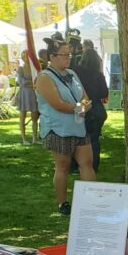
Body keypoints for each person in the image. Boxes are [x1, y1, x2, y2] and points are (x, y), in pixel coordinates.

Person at [35, 41, 95, 215]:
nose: (68, 58)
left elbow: (84, 95)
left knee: (87, 163)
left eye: (69, 55)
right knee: (63, 166)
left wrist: (83, 105)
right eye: (64, 55)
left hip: (78, 126)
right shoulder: (44, 77)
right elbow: (57, 104)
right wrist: (80, 108)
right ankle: (63, 203)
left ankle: (89, 201)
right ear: (52, 57)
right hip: (58, 128)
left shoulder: (72, 73)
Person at [71, 39, 108, 170]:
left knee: (77, 135)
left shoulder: (76, 73)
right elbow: (104, 92)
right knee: (94, 137)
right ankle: (93, 164)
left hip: (81, 104)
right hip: (95, 105)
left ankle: (75, 164)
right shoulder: (98, 75)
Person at [16, 52, 40, 145]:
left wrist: (31, 83)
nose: (26, 58)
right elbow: (21, 81)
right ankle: (24, 138)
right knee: (22, 116)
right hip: (24, 94)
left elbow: (37, 81)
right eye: (24, 57)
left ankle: (34, 138)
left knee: (35, 117)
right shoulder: (20, 68)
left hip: (33, 93)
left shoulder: (34, 68)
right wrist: (31, 83)